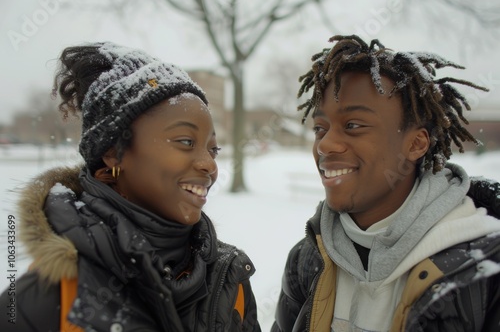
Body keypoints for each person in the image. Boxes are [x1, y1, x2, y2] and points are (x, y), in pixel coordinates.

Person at [0, 42, 261, 332]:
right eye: (186, 142)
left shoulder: (230, 279)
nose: (209, 166)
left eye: (213, 149)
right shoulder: (47, 299)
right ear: (114, 151)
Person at [271, 35, 500, 332]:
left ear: (416, 144)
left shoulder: (485, 271)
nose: (325, 144)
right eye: (319, 128)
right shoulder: (309, 259)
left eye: (353, 125)